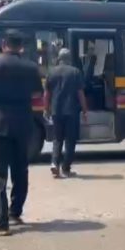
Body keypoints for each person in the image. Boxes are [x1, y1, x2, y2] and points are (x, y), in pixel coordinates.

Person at [0, 31, 43, 236]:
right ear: (21, 46)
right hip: (22, 124)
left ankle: (1, 222)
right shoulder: (31, 67)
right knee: (20, 170)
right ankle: (15, 211)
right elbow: (38, 93)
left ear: (4, 44)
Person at [44, 48, 88, 178]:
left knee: (57, 139)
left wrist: (46, 109)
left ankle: (54, 163)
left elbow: (47, 94)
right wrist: (85, 110)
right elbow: (80, 94)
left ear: (59, 58)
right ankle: (66, 168)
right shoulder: (75, 72)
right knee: (70, 140)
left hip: (56, 111)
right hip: (71, 112)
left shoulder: (51, 72)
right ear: (69, 59)